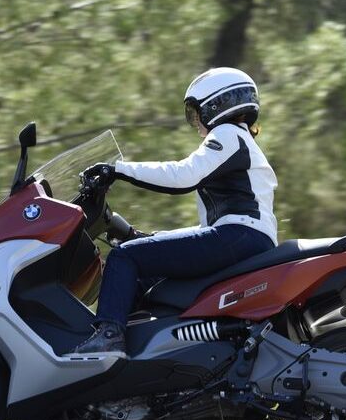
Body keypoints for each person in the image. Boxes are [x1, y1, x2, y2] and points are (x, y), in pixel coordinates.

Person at [72, 67, 278, 356]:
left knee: (124, 256)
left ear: (216, 105)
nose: (195, 122)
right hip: (244, 238)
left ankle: (108, 338)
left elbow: (183, 176)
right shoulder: (241, 140)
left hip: (239, 236)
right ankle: (139, 359)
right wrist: (152, 237)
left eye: (196, 112)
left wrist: (117, 170)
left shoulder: (228, 134)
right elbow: (209, 229)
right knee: (144, 277)